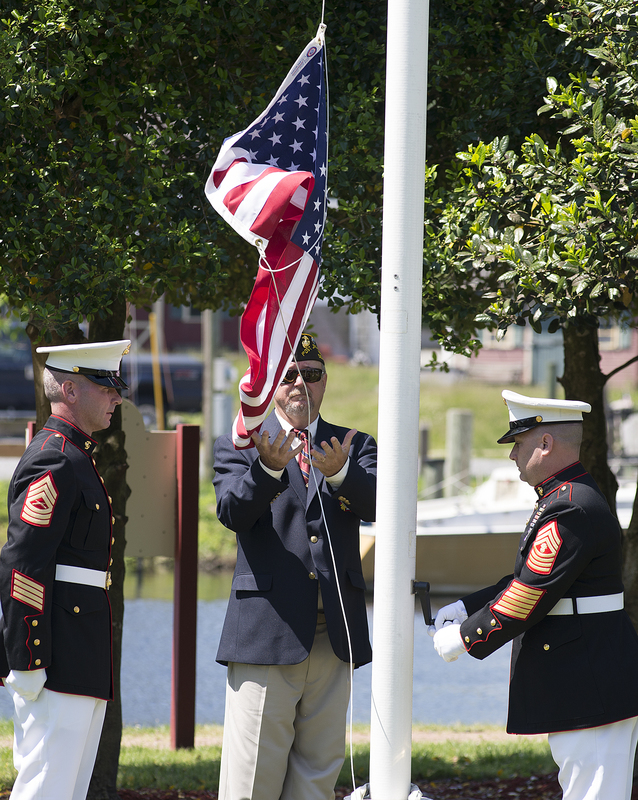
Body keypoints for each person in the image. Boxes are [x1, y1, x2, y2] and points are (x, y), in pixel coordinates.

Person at [430, 389, 638, 800]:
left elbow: (529, 593)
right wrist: (466, 605)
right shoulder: (564, 497)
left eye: (518, 444)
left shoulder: (570, 506)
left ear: (545, 443)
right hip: (584, 677)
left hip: (588, 680)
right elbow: (529, 577)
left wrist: (464, 637)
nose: (512, 456)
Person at [213, 332, 377, 800]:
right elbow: (231, 513)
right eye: (289, 376)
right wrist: (265, 472)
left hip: (334, 640)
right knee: (251, 784)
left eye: (312, 374)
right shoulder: (243, 445)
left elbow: (381, 502)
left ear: (326, 381)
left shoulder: (353, 445)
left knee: (317, 780)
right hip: (268, 637)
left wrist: (342, 474)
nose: (301, 385)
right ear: (271, 385)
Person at [0, 339, 130, 800]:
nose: (117, 396)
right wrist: (30, 658)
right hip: (56, 656)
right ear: (70, 390)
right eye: (106, 385)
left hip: (80, 651)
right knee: (45, 789)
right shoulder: (55, 458)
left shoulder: (76, 457)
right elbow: (23, 563)